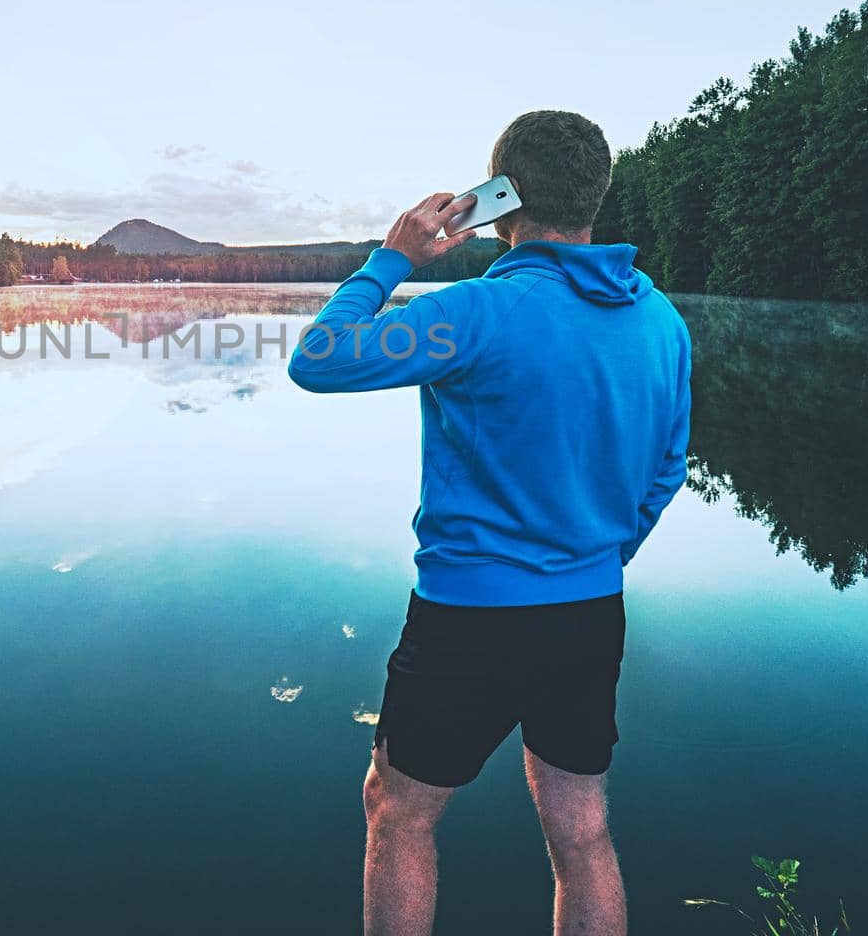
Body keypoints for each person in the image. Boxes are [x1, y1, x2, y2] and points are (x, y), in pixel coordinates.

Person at [287, 110, 692, 936]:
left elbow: (318, 359)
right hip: (588, 612)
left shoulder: (472, 312)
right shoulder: (662, 323)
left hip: (468, 618)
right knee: (582, 832)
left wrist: (394, 258)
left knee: (399, 814)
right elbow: (666, 472)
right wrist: (595, 557)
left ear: (500, 199)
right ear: (595, 195)